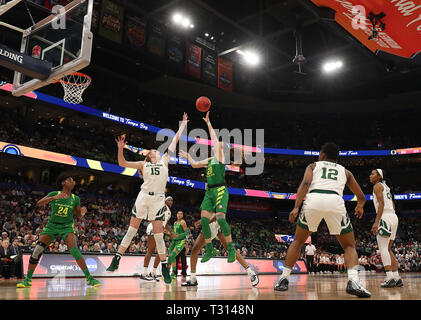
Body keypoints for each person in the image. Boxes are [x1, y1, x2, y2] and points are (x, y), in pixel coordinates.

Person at [274, 142, 371, 298]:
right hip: (335, 201)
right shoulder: (346, 172)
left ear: (323, 155)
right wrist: (359, 206)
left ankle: (284, 279)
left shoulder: (313, 166)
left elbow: (305, 184)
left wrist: (296, 207)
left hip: (314, 200)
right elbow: (361, 197)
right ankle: (353, 281)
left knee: (298, 242)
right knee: (349, 245)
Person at [106, 113, 188, 284]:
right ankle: (116, 259)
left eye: (156, 150)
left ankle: (164, 267)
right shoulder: (143, 164)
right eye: (152, 151)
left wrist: (182, 125)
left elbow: (174, 141)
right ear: (149, 155)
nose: (156, 151)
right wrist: (120, 148)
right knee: (131, 230)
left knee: (159, 236)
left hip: (158, 199)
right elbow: (122, 163)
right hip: (143, 197)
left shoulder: (165, 160)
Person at [179, 111, 241, 264]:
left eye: (219, 143)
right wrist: (188, 156)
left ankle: (231, 248)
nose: (217, 143)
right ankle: (209, 248)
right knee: (204, 220)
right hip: (210, 191)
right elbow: (195, 164)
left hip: (220, 189)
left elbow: (214, 139)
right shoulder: (211, 159)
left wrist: (208, 123)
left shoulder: (221, 157)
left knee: (220, 218)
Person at [17, 176, 101, 288]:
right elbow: (39, 203)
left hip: (67, 227)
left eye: (73, 181)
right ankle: (27, 280)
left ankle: (90, 279)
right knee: (37, 251)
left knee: (75, 251)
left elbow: (79, 216)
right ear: (63, 183)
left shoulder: (75, 198)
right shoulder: (54, 193)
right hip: (51, 226)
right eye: (69, 180)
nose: (72, 182)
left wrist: (83, 212)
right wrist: (54, 197)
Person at [181, 213, 259, 287]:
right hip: (213, 224)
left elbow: (218, 214)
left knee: (195, 251)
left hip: (213, 224)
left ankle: (193, 279)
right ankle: (251, 272)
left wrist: (202, 221)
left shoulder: (216, 200)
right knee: (229, 249)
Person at [369, 169, 402, 288]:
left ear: (379, 176)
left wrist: (377, 221)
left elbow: (381, 204)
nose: (370, 176)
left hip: (385, 217)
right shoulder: (386, 186)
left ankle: (389, 277)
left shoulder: (377, 186)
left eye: (372, 174)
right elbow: (391, 204)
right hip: (393, 216)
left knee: (383, 248)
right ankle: (396, 277)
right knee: (388, 249)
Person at [140, 196, 173, 281]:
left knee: (162, 252)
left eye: (171, 200)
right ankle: (144, 273)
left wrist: (171, 232)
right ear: (165, 201)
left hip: (160, 230)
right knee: (150, 250)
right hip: (153, 228)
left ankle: (153, 272)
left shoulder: (169, 211)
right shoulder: (163, 206)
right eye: (168, 200)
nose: (170, 201)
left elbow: (166, 223)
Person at [168, 210, 189, 280]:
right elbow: (174, 233)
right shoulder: (175, 223)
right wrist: (169, 233)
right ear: (176, 215)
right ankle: (172, 273)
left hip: (181, 242)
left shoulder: (183, 222)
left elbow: (186, 232)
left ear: (182, 216)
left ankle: (180, 274)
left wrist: (179, 236)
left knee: (181, 258)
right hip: (175, 242)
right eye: (178, 214)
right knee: (173, 257)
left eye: (181, 214)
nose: (179, 215)